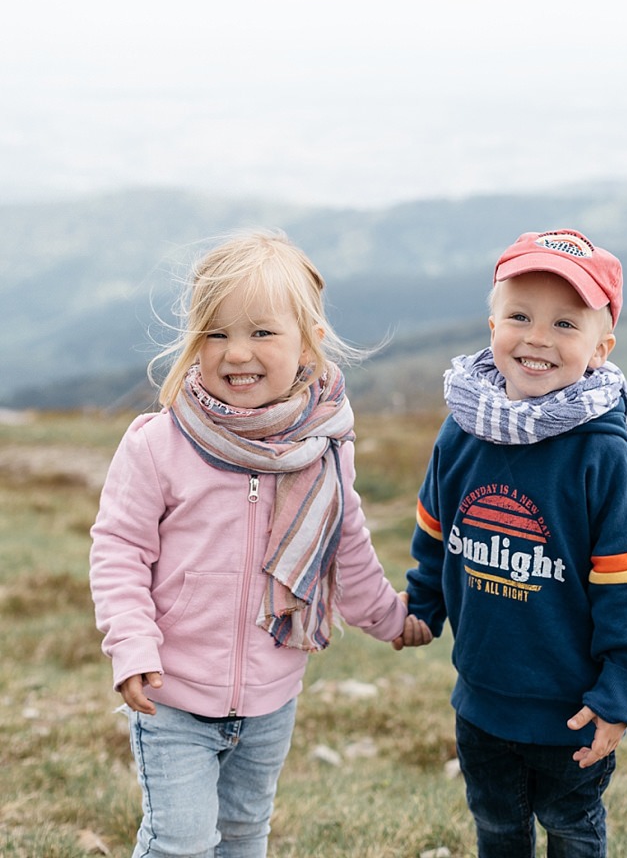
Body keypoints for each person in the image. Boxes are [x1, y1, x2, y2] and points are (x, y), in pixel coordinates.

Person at [89, 229, 431, 858]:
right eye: (216, 333)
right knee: (181, 841)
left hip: (272, 696)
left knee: (245, 835)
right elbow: (119, 550)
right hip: (173, 694)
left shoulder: (324, 447)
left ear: (309, 344)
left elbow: (344, 540)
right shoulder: (157, 445)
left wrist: (390, 618)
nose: (236, 352)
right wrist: (132, 646)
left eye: (262, 333)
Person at [406, 229, 627, 858]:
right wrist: (422, 604)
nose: (538, 338)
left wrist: (620, 693)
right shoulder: (462, 430)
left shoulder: (602, 458)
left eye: (565, 324)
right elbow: (436, 527)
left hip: (570, 709)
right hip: (481, 697)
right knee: (496, 828)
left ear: (600, 347)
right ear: (491, 322)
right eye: (519, 316)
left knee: (572, 829)